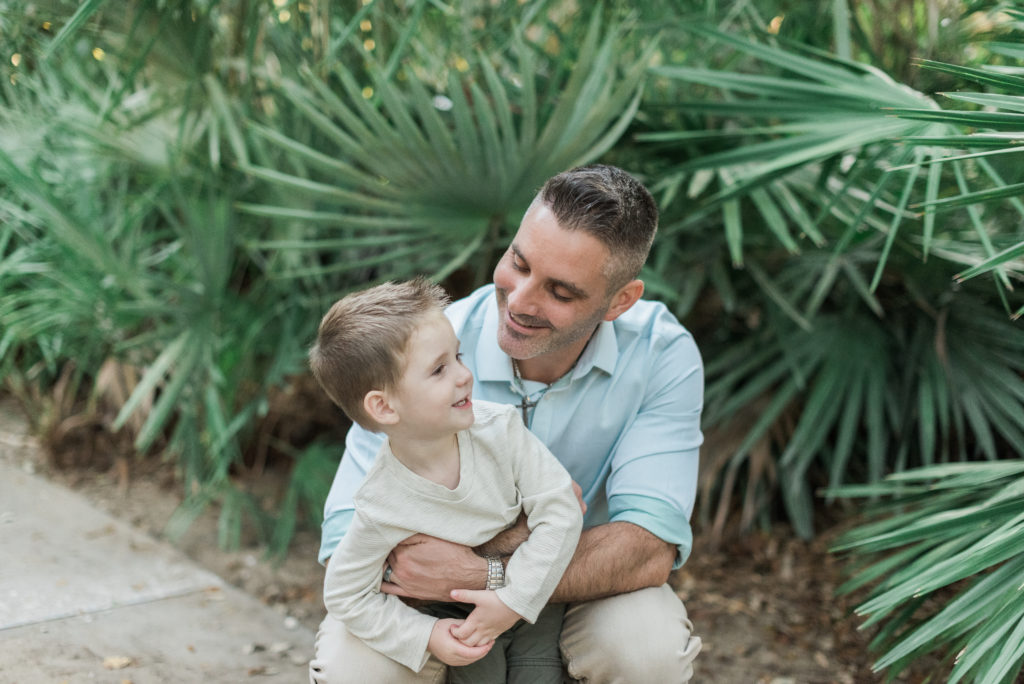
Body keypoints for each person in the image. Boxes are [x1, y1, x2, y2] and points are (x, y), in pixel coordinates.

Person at [310, 164, 704, 683]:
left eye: (560, 292)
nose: (518, 302)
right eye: (518, 263)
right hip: (428, 598)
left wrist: (490, 570)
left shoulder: (661, 355)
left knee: (646, 648)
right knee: (351, 669)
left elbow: (648, 549)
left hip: (579, 588)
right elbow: (347, 537)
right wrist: (442, 606)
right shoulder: (426, 345)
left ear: (619, 301)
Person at [308, 278, 583, 683]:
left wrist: (513, 599)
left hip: (535, 596)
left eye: (458, 357)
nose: (464, 376)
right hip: (456, 619)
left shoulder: (500, 431)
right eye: (439, 369)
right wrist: (426, 634)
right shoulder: (381, 502)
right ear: (384, 406)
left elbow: (561, 508)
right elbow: (346, 594)